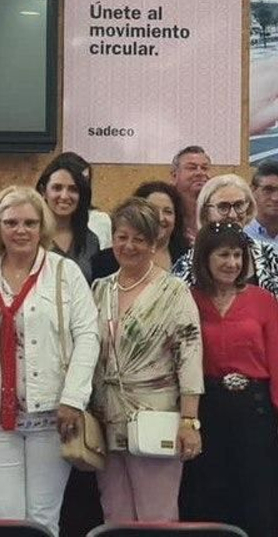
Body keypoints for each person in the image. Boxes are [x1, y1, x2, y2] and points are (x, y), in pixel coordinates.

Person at [0, 186, 99, 535]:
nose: (20, 230)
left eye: (29, 222)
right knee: (3, 517)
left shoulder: (65, 272)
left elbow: (88, 336)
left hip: (51, 414)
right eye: (11, 223)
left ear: (43, 227)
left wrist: (73, 399)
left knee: (42, 518)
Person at [89, 198, 203, 523]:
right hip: (106, 419)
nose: (129, 246)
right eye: (122, 237)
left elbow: (190, 358)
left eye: (139, 239)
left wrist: (189, 421)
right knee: (114, 515)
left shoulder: (174, 291)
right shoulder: (100, 289)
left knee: (157, 516)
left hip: (156, 418)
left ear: (154, 243)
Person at [179, 221, 278, 536]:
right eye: (223, 255)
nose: (232, 263)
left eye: (237, 255)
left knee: (259, 498)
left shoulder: (263, 300)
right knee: (208, 496)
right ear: (205, 258)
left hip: (255, 410)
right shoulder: (188, 299)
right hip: (207, 409)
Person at [171, 175, 278, 296]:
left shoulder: (268, 255)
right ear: (206, 212)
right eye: (223, 207)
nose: (232, 215)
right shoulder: (187, 265)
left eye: (239, 205)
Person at [90, 181, 188, 281]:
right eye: (153, 210)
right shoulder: (103, 262)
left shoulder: (188, 258)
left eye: (168, 211)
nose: (160, 218)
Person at [37, 158, 99, 281]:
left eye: (73, 189)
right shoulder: (31, 237)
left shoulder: (90, 241)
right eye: (57, 188)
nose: (64, 196)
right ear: (43, 191)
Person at [169, 146, 211, 243]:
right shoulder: (167, 215)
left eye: (204, 168)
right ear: (174, 176)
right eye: (192, 168)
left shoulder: (218, 214)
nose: (200, 173)